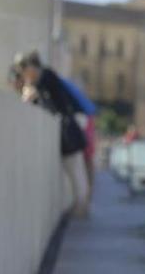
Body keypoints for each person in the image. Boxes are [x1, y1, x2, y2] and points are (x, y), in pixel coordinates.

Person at [16, 51, 91, 219]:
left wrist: (30, 87)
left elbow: (43, 100)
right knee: (77, 173)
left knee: (76, 173)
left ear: (32, 68)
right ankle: (80, 206)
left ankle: (81, 207)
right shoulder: (47, 78)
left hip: (68, 136)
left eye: (26, 70)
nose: (25, 75)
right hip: (69, 133)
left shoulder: (46, 78)